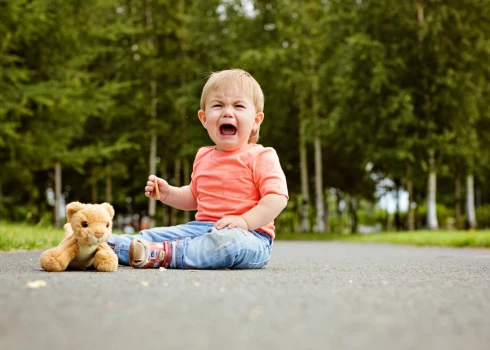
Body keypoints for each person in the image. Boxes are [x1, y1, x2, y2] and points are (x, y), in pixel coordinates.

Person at [107, 69, 289, 269]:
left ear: (256, 120)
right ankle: (100, 246)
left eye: (238, 106)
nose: (227, 112)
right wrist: (169, 193)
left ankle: (165, 254)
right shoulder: (203, 156)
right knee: (152, 235)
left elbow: (276, 198)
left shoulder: (261, 156)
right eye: (218, 105)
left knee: (229, 243)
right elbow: (194, 196)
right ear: (203, 118)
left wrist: (245, 221)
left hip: (250, 236)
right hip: (200, 229)